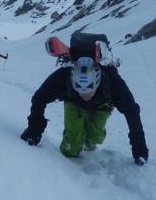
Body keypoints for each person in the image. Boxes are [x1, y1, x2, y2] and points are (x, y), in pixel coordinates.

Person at [20, 54, 149, 164]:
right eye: (80, 90)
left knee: (96, 138)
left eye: (89, 90)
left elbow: (132, 111)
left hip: (101, 105)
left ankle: (89, 141)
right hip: (73, 103)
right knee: (71, 149)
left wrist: (139, 148)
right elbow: (39, 98)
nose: (85, 95)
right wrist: (34, 130)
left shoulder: (112, 82)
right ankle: (76, 141)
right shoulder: (64, 76)